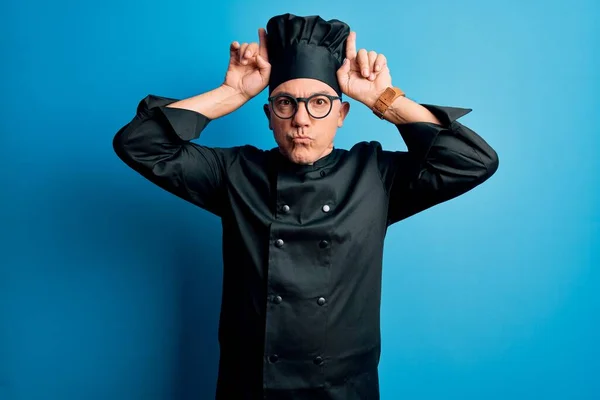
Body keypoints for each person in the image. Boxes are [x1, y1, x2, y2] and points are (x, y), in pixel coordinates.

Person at [112, 12, 499, 400]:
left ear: (343, 114)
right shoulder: (234, 173)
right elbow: (139, 143)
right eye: (285, 103)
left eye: (319, 103)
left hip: (344, 391)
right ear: (268, 116)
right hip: (251, 389)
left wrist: (386, 101)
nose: (301, 120)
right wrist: (232, 93)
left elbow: (471, 160)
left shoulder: (376, 176)